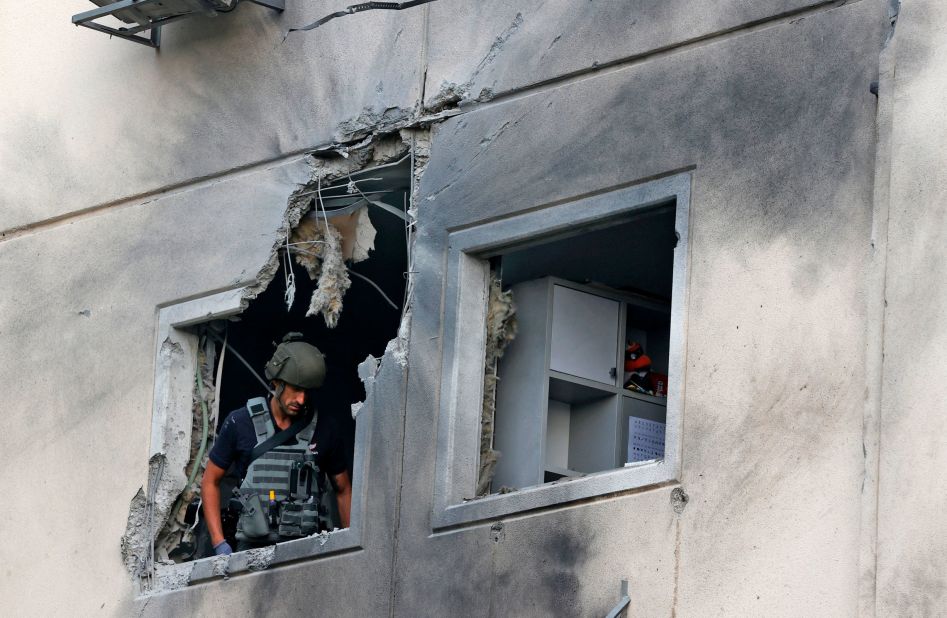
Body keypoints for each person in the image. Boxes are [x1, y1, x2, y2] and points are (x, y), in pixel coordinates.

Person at [200, 333, 352, 556]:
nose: (301, 400)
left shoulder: (325, 429)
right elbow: (210, 481)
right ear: (277, 382)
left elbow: (343, 489)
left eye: (307, 392)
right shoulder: (239, 423)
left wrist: (348, 545)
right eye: (295, 389)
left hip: (306, 551)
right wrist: (219, 542)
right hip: (251, 551)